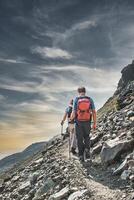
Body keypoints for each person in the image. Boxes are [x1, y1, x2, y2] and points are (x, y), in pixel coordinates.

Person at [71, 87, 96, 162]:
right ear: (85, 92)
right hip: (87, 121)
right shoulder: (90, 99)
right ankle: (87, 152)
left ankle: (81, 156)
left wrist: (71, 119)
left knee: (79, 139)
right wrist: (94, 123)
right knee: (87, 137)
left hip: (79, 122)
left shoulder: (77, 99)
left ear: (79, 92)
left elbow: (74, 112)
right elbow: (94, 112)